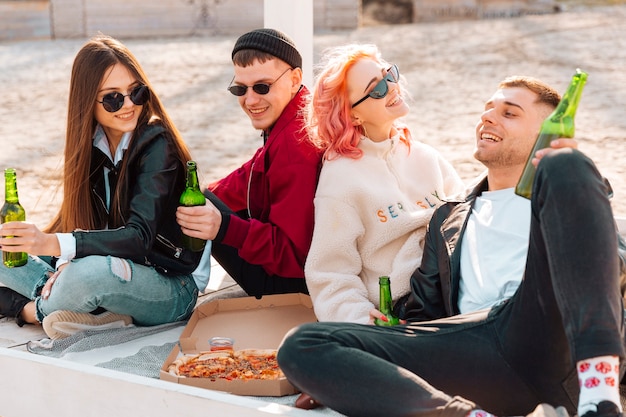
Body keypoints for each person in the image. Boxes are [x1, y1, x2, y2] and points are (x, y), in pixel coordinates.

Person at [277, 75, 626, 417]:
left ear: (547, 132)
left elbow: (610, 269)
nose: (487, 116)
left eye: (509, 113)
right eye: (488, 109)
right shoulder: (447, 218)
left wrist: (573, 180)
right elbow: (424, 318)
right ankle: (463, 415)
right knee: (302, 345)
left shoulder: (562, 198)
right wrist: (352, 373)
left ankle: (600, 395)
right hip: (474, 348)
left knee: (569, 163)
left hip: (549, 334)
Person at [0, 35, 207, 340]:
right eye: (113, 97)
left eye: (136, 92)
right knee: (7, 248)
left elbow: (139, 239)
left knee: (87, 276)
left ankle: (34, 309)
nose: (128, 105)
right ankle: (67, 301)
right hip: (116, 268)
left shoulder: (158, 145)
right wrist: (34, 243)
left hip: (172, 284)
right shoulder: (93, 147)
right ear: (88, 101)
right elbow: (79, 229)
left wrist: (50, 246)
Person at [303, 44, 464, 323]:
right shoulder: (340, 179)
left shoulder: (426, 155)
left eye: (389, 75)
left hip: (455, 276)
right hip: (409, 304)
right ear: (353, 114)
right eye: (376, 89)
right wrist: (366, 320)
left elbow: (465, 215)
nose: (391, 87)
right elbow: (330, 275)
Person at [176, 28, 322, 298]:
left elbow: (295, 257)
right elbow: (254, 172)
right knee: (202, 200)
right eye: (240, 89)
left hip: (292, 284)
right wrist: (209, 197)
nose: (250, 100)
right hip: (299, 266)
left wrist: (223, 227)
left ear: (294, 78)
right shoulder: (297, 112)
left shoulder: (296, 146)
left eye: (262, 87)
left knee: (206, 211)